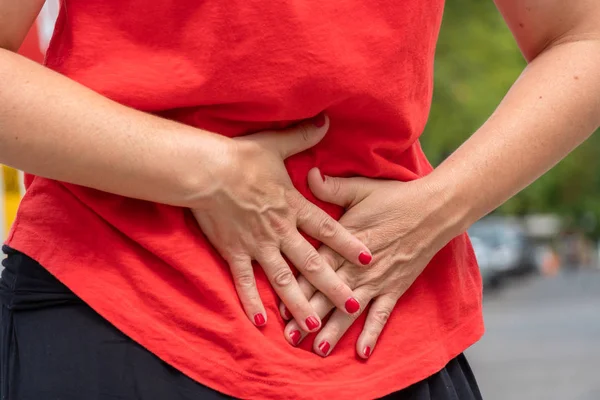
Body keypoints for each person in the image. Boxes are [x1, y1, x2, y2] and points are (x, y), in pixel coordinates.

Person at [1, 0, 599, 398]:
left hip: (386, 324)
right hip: (117, 299)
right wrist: (206, 171)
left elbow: (584, 36)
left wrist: (442, 205)